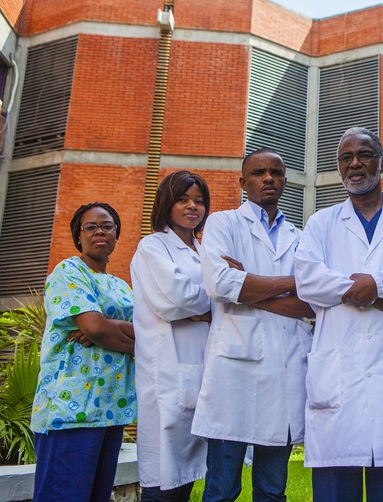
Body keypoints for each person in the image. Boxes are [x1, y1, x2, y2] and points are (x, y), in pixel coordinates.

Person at [294, 127, 383, 502]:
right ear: (339, 168)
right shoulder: (321, 224)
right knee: (334, 488)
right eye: (346, 158)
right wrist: (374, 294)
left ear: (382, 162)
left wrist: (374, 284)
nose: (355, 163)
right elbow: (308, 281)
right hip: (337, 381)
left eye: (364, 154)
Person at [191, 148, 314, 502]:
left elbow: (314, 302)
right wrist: (291, 282)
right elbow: (221, 286)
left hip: (285, 372)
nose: (268, 178)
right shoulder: (222, 223)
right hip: (235, 377)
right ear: (243, 182)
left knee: (273, 491)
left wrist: (248, 282)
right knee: (221, 490)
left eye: (276, 171)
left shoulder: (301, 235)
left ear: (286, 180)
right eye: (259, 172)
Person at [31, 202, 135, 502]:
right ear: (79, 237)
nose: (99, 231)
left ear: (116, 235)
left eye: (107, 226)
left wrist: (107, 327)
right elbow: (94, 327)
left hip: (111, 408)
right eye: (90, 227)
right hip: (70, 409)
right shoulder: (68, 271)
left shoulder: (121, 286)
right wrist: (111, 332)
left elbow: (122, 328)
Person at [131, 171, 212, 501]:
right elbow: (177, 299)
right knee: (163, 479)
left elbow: (219, 295)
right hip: (167, 371)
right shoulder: (152, 246)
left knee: (186, 479)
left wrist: (205, 305)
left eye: (199, 200)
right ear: (166, 203)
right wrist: (212, 302)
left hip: (200, 372)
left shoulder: (202, 250)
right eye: (183, 199)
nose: (193, 206)